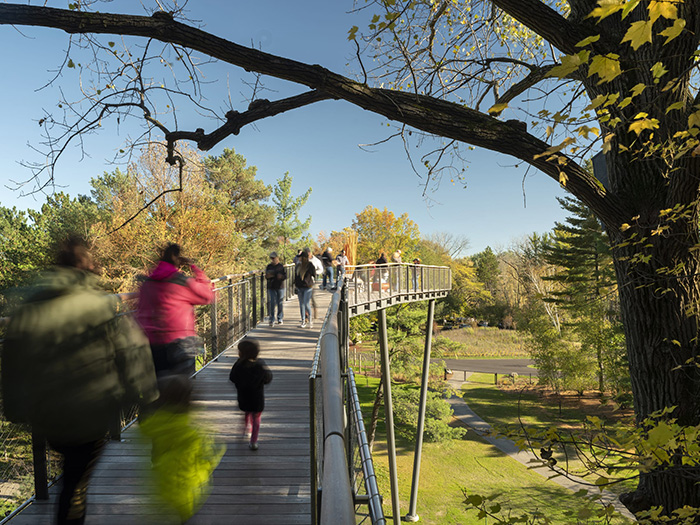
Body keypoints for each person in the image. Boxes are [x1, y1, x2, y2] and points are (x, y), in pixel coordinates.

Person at [1, 235, 159, 525]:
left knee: (70, 470)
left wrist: (14, 408)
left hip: (46, 411)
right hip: (91, 410)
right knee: (76, 484)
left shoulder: (29, 306)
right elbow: (131, 349)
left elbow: (12, 359)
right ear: (85, 265)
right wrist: (146, 394)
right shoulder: (97, 305)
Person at [138, 375, 224, 522]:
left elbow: (143, 428)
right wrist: (214, 457)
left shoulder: (156, 424)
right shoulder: (194, 433)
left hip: (162, 486)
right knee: (184, 516)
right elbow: (205, 458)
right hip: (186, 490)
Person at [136, 243, 214, 377]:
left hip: (153, 341)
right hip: (181, 340)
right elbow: (208, 296)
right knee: (183, 387)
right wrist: (194, 268)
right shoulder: (181, 281)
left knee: (162, 386)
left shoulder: (148, 283)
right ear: (179, 260)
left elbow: (141, 311)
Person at [228, 339, 273, 451]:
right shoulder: (259, 365)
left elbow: (232, 378)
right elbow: (267, 378)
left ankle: (245, 430)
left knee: (247, 412)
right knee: (256, 418)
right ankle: (253, 441)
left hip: (243, 396)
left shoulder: (238, 365)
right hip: (257, 398)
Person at [294, 249, 316, 328]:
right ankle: (303, 320)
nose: (299, 258)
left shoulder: (310, 265)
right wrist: (295, 286)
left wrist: (309, 276)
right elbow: (296, 277)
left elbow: (314, 274)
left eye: (300, 257)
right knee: (301, 304)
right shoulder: (298, 266)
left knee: (306, 303)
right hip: (300, 287)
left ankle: (310, 320)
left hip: (308, 287)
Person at [265, 251, 287, 326]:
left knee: (280, 303)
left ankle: (280, 318)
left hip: (280, 287)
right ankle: (271, 319)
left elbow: (285, 276)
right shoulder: (269, 266)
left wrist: (281, 277)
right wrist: (269, 275)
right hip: (271, 287)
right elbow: (266, 276)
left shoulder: (281, 266)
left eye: (273, 258)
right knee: (272, 303)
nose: (272, 259)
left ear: (277, 258)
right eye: (271, 258)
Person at [308, 251, 324, 322]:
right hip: (303, 283)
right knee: (305, 300)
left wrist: (314, 273)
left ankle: (315, 312)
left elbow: (321, 269)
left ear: (311, 253)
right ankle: (306, 317)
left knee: (312, 298)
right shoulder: (303, 260)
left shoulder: (316, 261)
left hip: (311, 281)